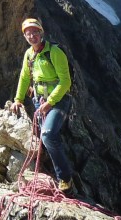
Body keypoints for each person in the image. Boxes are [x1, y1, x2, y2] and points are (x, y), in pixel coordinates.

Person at [8, 17, 75, 193]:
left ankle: (65, 179)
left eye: (35, 32)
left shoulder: (55, 52)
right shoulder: (29, 54)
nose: (32, 36)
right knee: (42, 138)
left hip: (59, 101)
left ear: (41, 33)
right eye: (28, 33)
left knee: (47, 135)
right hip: (39, 101)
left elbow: (65, 81)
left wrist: (50, 102)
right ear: (25, 37)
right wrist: (18, 99)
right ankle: (50, 171)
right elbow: (24, 77)